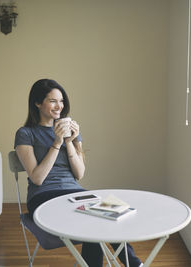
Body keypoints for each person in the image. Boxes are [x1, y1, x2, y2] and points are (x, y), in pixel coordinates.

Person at [14, 79, 142, 267]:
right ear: (37, 103)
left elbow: (80, 173)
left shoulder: (70, 130)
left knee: (109, 213)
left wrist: (69, 141)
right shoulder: (25, 133)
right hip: (43, 196)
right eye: (53, 101)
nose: (60, 106)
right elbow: (37, 178)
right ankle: (135, 264)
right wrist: (56, 142)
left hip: (75, 192)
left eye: (62, 101)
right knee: (96, 221)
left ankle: (134, 264)